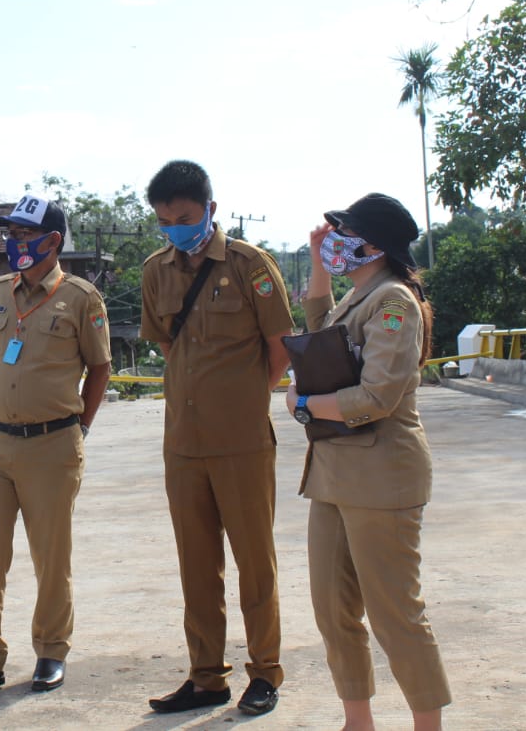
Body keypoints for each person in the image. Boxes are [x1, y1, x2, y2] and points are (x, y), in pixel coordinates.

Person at [286, 193, 451, 731]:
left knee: (395, 615)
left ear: (374, 244)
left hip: (382, 475)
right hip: (334, 475)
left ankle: (427, 725)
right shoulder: (359, 295)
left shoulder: (394, 301)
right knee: (333, 610)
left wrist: (307, 406)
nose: (334, 239)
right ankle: (358, 721)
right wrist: (316, 262)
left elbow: (377, 396)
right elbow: (317, 330)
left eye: (344, 233)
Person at [0, 194, 111, 696]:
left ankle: (51, 651)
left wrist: (81, 427)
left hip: (52, 444)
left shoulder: (80, 299)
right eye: (11, 235)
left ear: (52, 241)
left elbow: (99, 369)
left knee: (50, 556)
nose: (14, 243)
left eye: (23, 234)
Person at [140, 160, 292, 717]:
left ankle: (265, 672)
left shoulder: (251, 266)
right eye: (164, 221)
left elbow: (280, 346)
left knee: (255, 563)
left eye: (184, 217)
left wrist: (246, 401)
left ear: (210, 208)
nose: (175, 229)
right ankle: (206, 676)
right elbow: (166, 344)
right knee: (197, 566)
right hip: (183, 443)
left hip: (243, 442)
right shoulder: (156, 271)